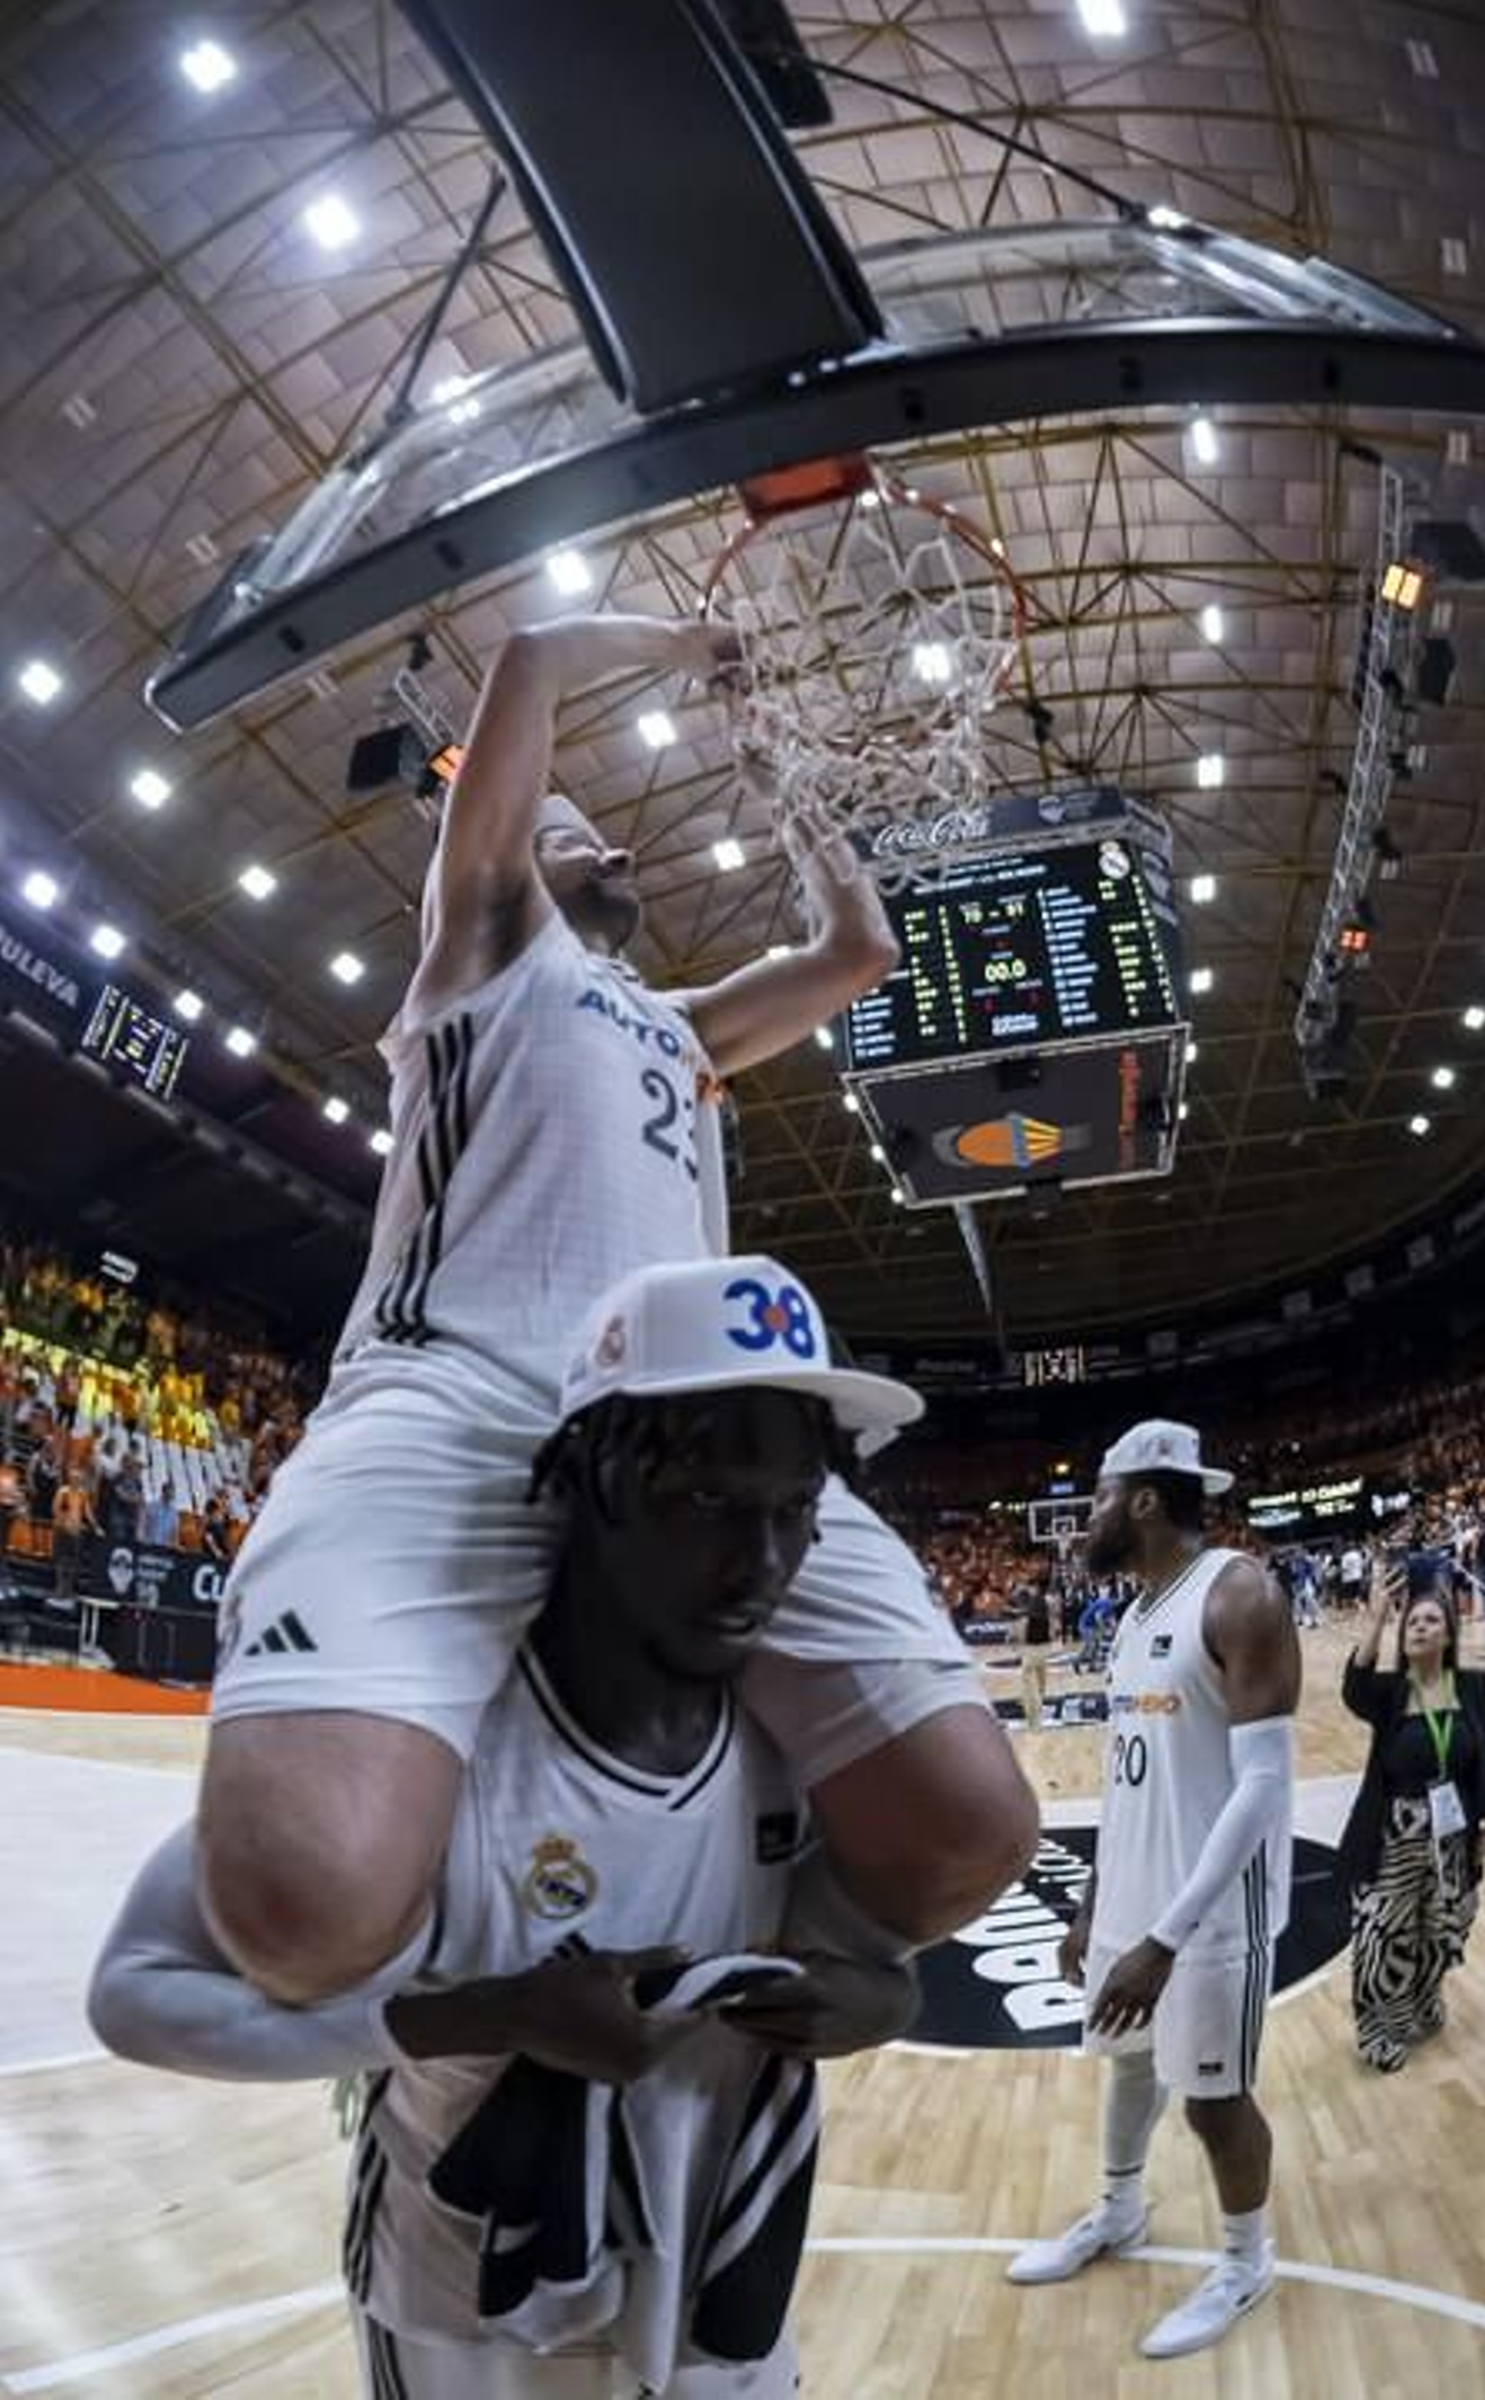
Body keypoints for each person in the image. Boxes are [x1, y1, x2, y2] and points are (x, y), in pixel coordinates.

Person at [198, 610, 1036, 2011]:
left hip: (681, 1441)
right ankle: (455, 1997)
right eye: (580, 833)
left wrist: (784, 786)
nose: (624, 850)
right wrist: (685, 642)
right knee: (303, 1904)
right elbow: (526, 654)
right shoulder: (487, 948)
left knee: (970, 1829)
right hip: (455, 1401)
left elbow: (863, 952)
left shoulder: (686, 1025)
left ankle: (740, 1916)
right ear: (514, 849)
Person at [91, 1256, 925, 2399]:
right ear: (586, 1479)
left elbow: (876, 1966)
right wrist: (480, 2018)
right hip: (458, 2311)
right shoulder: (423, 1755)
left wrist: (888, 1999)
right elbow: (134, 1991)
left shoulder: (802, 1739)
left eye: (793, 1511)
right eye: (707, 1503)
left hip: (718, 2286)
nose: (763, 1564)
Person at [1007, 1419, 1299, 2361]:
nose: (1082, 1518)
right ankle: (1120, 2212)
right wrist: (1097, 1904)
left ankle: (1247, 2262)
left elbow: (1261, 1790)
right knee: (1126, 2064)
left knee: (1215, 2100)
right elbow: (1130, 1778)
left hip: (1212, 1915)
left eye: (1093, 1497)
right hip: (1134, 1898)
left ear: (1142, 1499)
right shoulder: (1134, 1615)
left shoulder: (1240, 1593)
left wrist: (1165, 1937)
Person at [1337, 1558, 1485, 2072]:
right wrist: (1375, 1621)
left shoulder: (1473, 1686)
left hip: (1451, 1834)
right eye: (1412, 1621)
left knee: (1441, 1927)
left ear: (1449, 1632)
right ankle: (1378, 2031)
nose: (1419, 1627)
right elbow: (1355, 1688)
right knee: (1383, 1934)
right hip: (1394, 1835)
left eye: (1430, 1621)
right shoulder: (1390, 1693)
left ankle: (1422, 2000)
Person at [1012, 1577, 1055, 1733]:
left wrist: (1018, 1613)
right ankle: (1031, 1702)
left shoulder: (1037, 1601)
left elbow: (1031, 1618)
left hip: (1034, 1648)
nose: (1027, 1589)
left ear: (1035, 1587)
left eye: (1029, 1586)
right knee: (1040, 1681)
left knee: (1029, 1684)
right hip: (1043, 1646)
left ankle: (1034, 1723)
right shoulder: (1040, 1600)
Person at [51, 1469, 101, 1601]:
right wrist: (65, 1524)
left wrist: (96, 1526)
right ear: (70, 1479)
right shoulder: (63, 1492)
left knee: (73, 1561)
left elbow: (88, 1512)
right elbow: (56, 1510)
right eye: (75, 1479)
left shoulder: (82, 1494)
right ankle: (59, 1588)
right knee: (61, 1560)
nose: (77, 1482)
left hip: (76, 1532)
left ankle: (68, 1589)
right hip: (62, 1530)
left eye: (79, 1480)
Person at [139, 1479, 180, 1551]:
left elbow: (175, 1534)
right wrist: (141, 1540)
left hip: (164, 1549)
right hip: (149, 1546)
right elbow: (142, 1524)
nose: (171, 1494)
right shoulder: (151, 1506)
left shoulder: (174, 1513)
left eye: (172, 1492)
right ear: (163, 1492)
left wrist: (175, 1546)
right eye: (169, 1491)